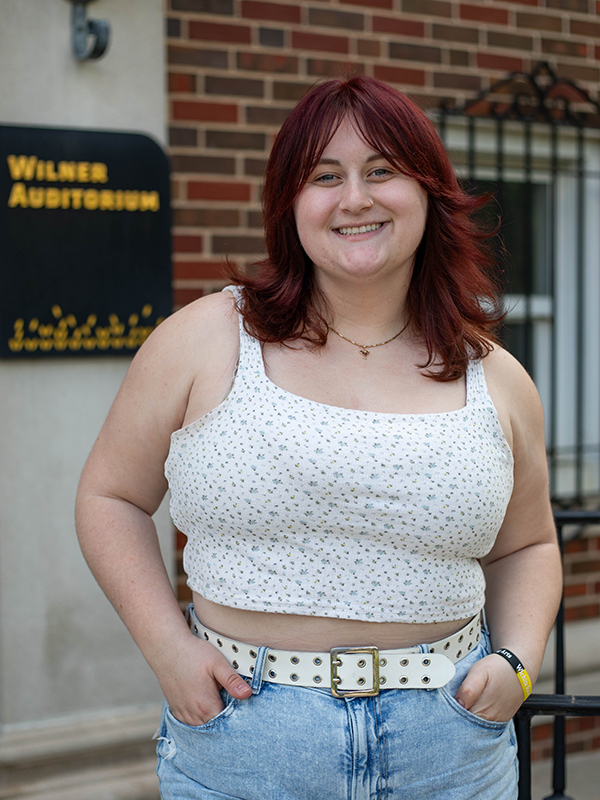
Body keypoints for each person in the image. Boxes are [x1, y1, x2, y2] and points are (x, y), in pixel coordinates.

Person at [75, 76, 562, 800]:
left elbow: (530, 545)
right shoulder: (207, 338)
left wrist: (519, 663)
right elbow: (108, 496)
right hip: (246, 738)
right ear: (290, 206)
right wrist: (167, 649)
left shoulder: (495, 377)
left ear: (428, 192)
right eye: (324, 177)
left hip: (450, 744)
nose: (355, 198)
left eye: (383, 171)